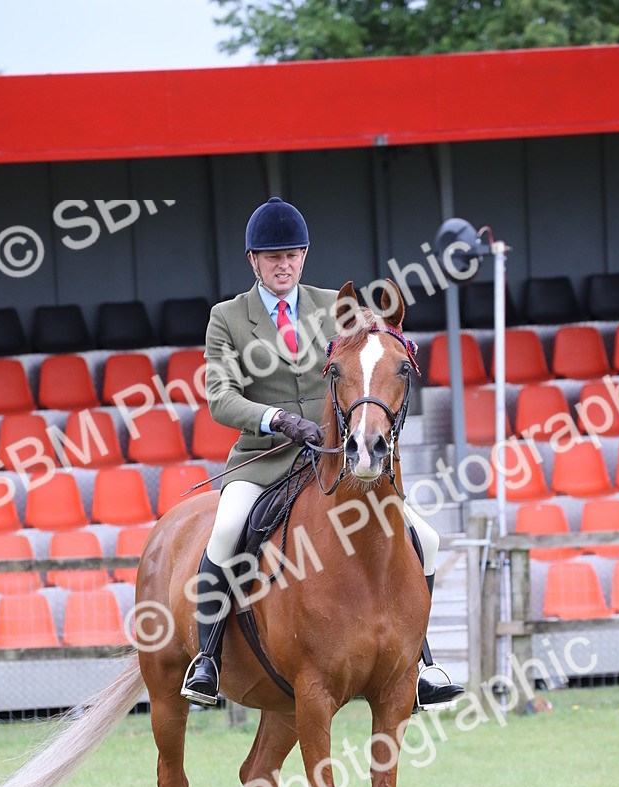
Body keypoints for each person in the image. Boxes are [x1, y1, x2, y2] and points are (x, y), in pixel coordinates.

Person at [181, 196, 464, 713]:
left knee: (424, 536)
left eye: (292, 255)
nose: (283, 265)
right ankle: (207, 658)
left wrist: (397, 346)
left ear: (304, 256)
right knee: (226, 531)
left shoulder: (335, 306)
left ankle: (421, 662)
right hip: (265, 460)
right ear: (253, 261)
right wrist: (277, 419)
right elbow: (220, 397)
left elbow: (374, 354)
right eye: (273, 257)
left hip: (331, 460)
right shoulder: (228, 318)